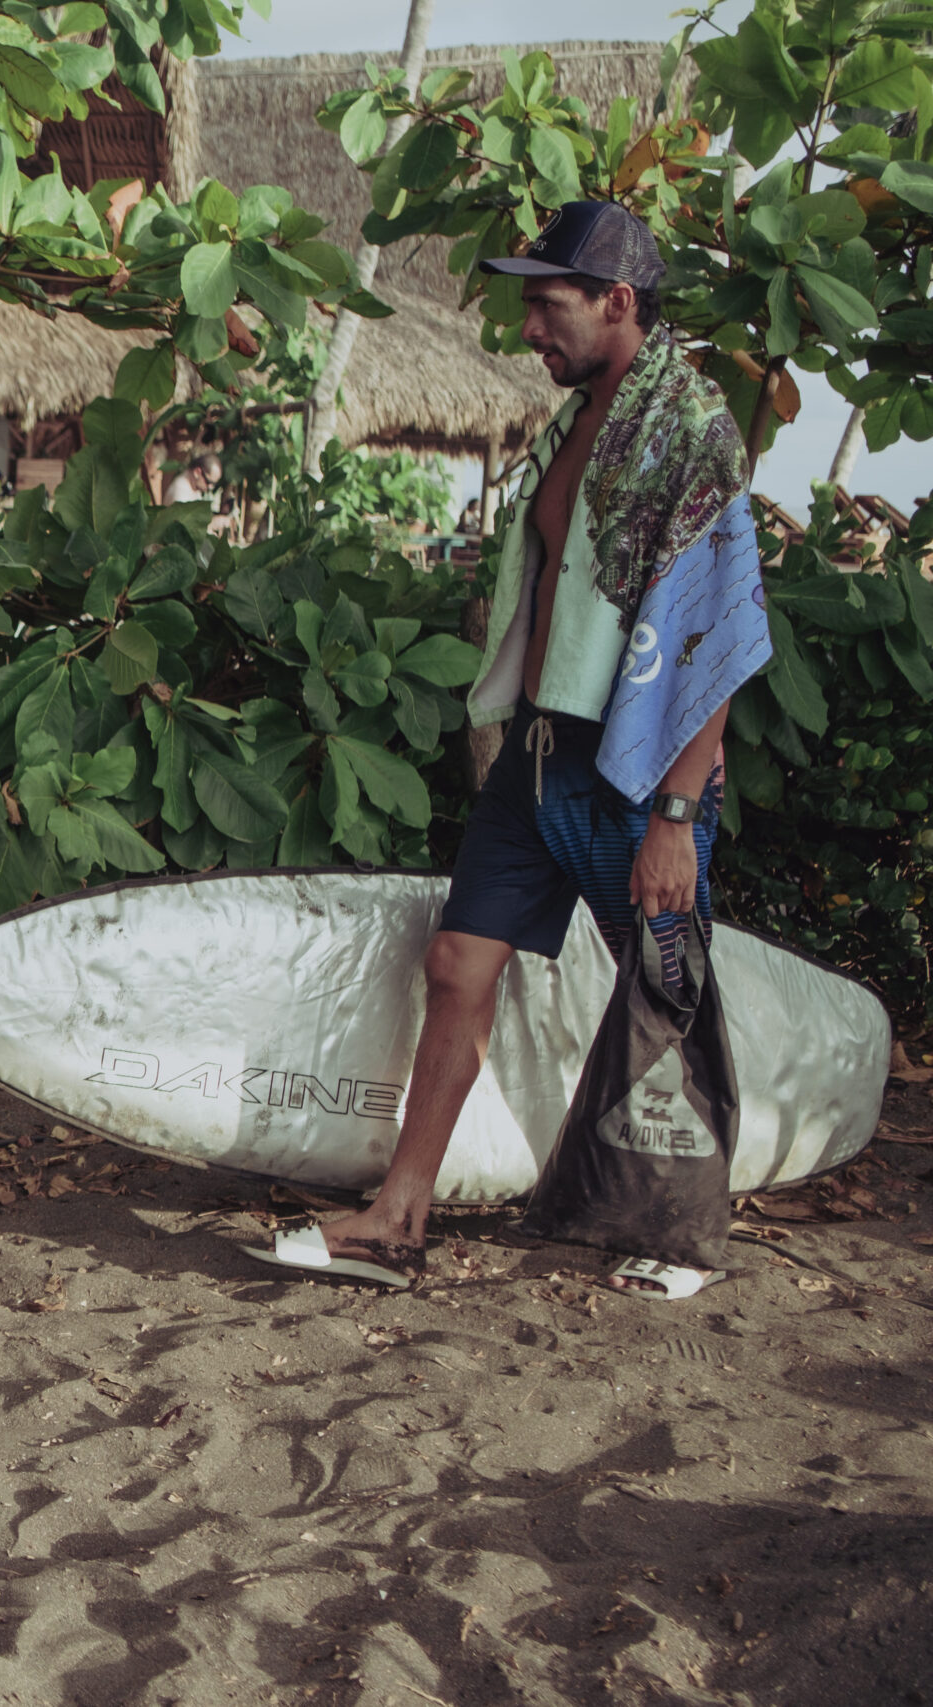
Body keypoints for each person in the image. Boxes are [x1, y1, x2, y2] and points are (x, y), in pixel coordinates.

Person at [254, 202, 770, 1295]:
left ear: (617, 303)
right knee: (458, 963)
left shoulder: (690, 430)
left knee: (662, 989)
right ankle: (396, 1220)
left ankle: (673, 1235)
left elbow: (715, 633)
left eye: (549, 304)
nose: (528, 328)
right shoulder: (574, 420)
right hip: (537, 753)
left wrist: (676, 815)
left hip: (635, 770)